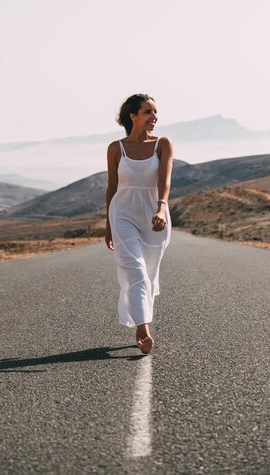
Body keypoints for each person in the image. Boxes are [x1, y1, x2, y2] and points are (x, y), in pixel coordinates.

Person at [105, 94, 173, 354]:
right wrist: (108, 225)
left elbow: (164, 181)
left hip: (155, 215)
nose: (154, 117)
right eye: (148, 112)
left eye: (155, 112)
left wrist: (161, 208)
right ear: (133, 116)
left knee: (148, 274)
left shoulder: (163, 144)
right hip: (122, 212)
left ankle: (138, 313)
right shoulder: (115, 148)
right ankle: (143, 328)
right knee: (136, 271)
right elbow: (112, 187)